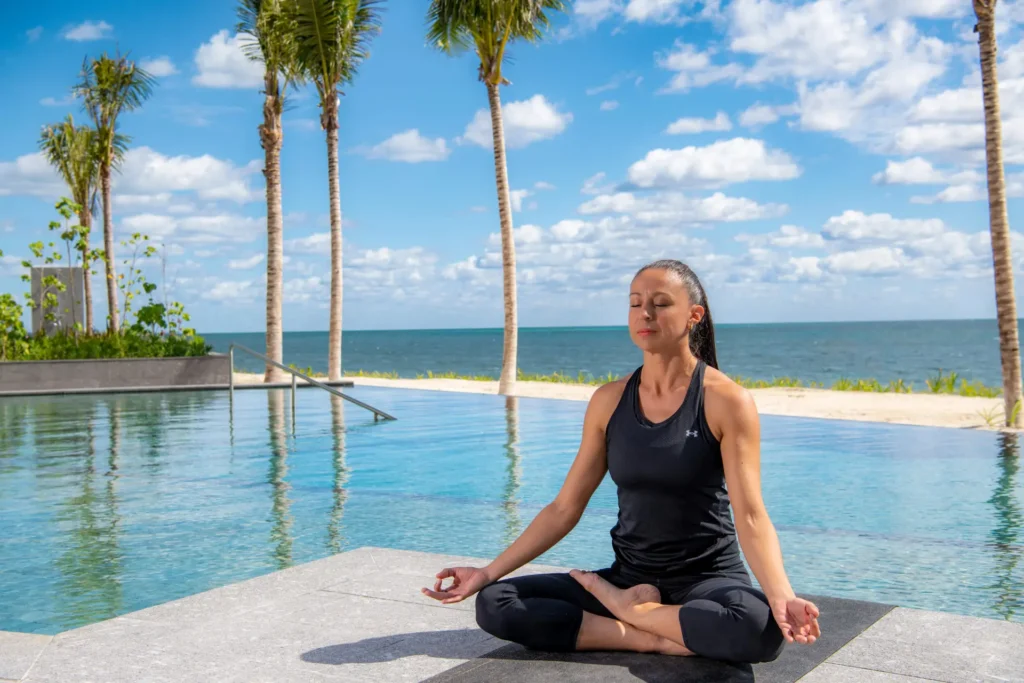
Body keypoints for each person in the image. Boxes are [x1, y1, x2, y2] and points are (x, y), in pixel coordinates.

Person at [421, 259, 820, 663]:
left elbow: (751, 516)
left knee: (758, 629)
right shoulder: (608, 401)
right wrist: (488, 572)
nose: (645, 313)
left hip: (707, 580)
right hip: (627, 577)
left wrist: (780, 595)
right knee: (496, 601)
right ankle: (650, 636)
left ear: (693, 316)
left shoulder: (725, 400)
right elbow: (564, 508)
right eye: (635, 303)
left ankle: (634, 612)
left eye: (661, 303)